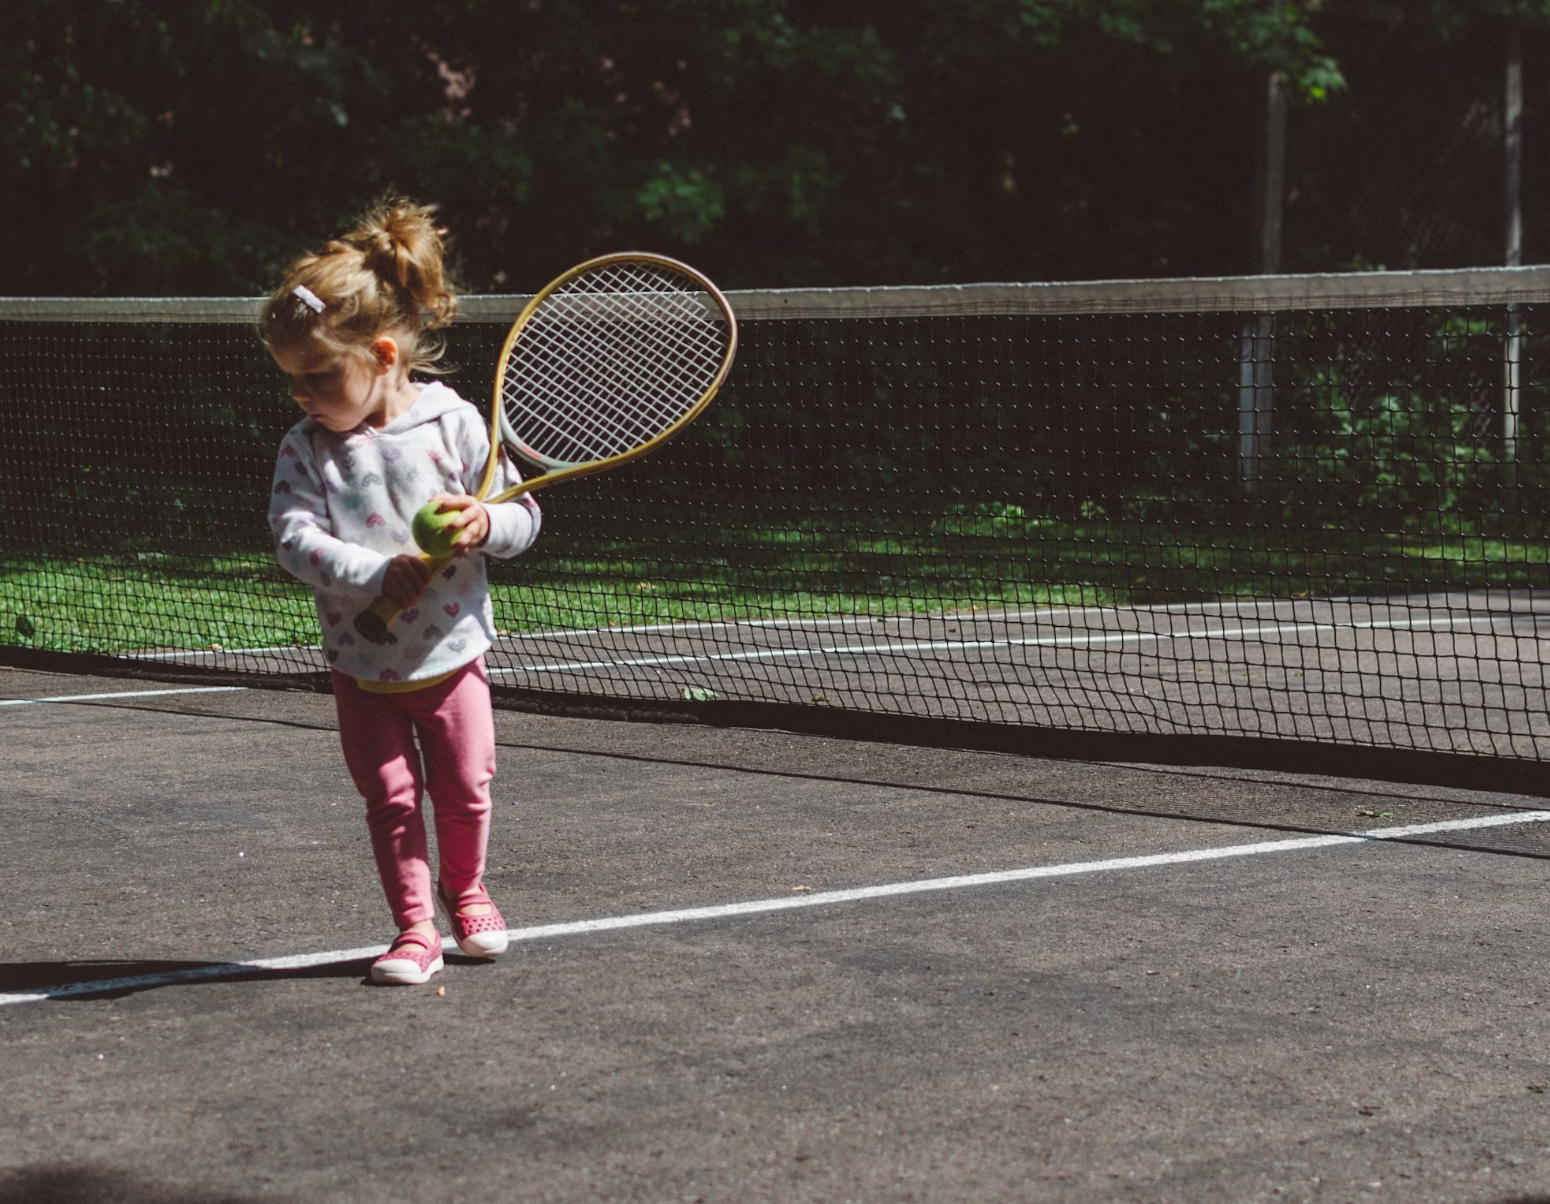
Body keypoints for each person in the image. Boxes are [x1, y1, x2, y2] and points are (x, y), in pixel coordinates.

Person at [261, 199, 540, 986]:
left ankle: (467, 889)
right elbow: (294, 540)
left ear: (383, 354)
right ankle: (414, 929)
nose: (303, 395)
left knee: (466, 790)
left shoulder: (453, 425)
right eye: (292, 381)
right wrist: (375, 574)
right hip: (362, 666)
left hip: (452, 658)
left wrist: (487, 523)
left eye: (317, 375)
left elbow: (523, 516)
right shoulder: (306, 448)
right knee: (390, 800)